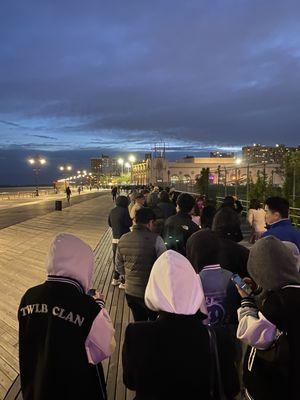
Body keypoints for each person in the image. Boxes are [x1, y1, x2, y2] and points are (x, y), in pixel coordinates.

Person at [122, 250, 240, 399]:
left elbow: (131, 382)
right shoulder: (217, 337)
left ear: (154, 286)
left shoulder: (136, 334)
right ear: (194, 286)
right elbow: (231, 388)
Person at [18, 233, 116, 400]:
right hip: (75, 388)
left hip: (37, 385)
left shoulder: (29, 296)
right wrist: (98, 305)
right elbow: (106, 347)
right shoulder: (87, 306)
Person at [236, 236, 300, 400]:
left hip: (273, 386)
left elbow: (251, 333)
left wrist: (246, 301)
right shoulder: (290, 292)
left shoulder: (277, 303)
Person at [116, 208, 166, 321]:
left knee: (138, 321)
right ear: (150, 222)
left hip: (131, 292)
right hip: (151, 292)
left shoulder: (123, 238)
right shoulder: (157, 240)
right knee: (153, 323)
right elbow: (164, 267)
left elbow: (118, 267)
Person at [186, 230, 240, 327]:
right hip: (231, 334)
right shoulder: (235, 277)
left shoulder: (190, 281)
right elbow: (249, 294)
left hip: (203, 336)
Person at [108, 196, 132, 287]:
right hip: (124, 239)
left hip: (115, 238)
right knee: (123, 259)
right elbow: (129, 223)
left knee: (116, 259)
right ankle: (122, 282)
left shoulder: (112, 211)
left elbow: (109, 223)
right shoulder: (124, 211)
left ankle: (115, 279)